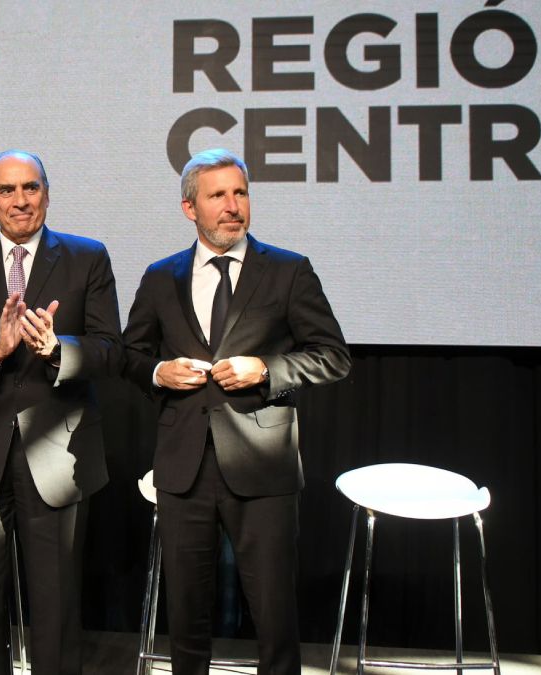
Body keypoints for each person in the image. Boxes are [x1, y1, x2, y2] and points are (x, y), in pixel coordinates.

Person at [121, 148, 351, 675]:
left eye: (240, 193)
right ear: (189, 208)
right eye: (218, 195)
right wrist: (159, 373)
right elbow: (130, 357)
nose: (232, 206)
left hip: (262, 464)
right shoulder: (161, 278)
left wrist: (266, 370)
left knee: (274, 616)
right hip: (183, 468)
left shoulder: (289, 271)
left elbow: (333, 357)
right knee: (186, 616)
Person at [0, 150, 122, 675]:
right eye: (6, 191)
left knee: (56, 606)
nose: (19, 200)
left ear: (47, 195)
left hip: (57, 452)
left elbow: (110, 351)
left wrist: (57, 350)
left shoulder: (86, 257)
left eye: (30, 188)